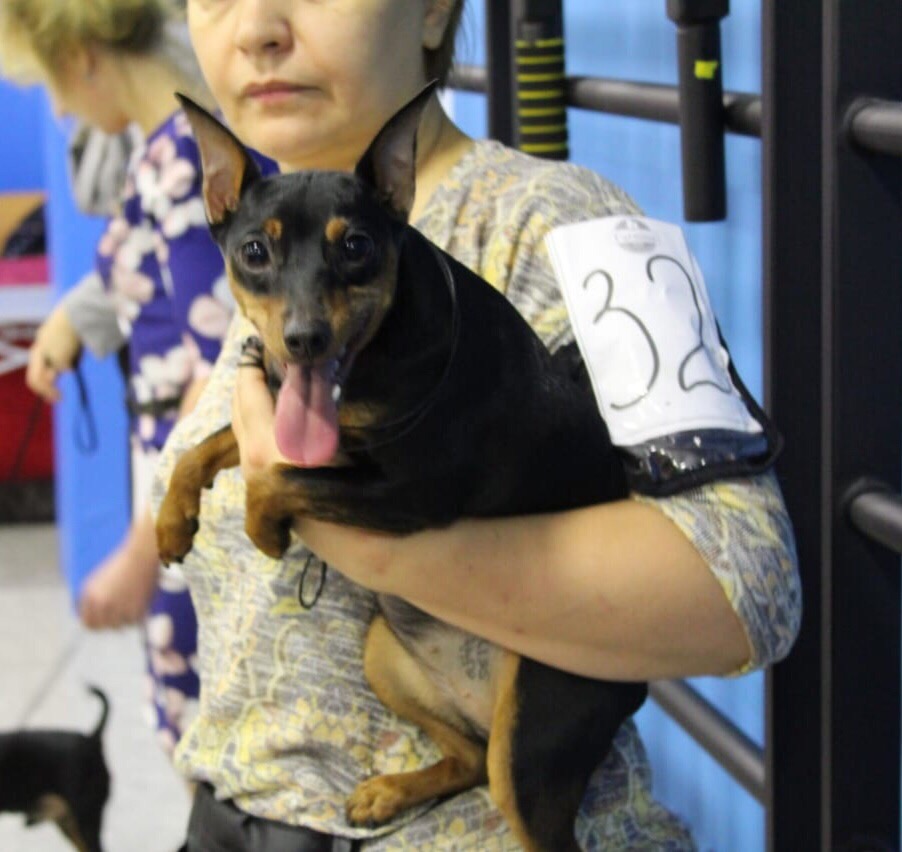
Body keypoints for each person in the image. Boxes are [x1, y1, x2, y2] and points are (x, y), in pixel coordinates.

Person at [153, 0, 801, 848]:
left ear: (433, 10)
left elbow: (750, 585)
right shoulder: (267, 253)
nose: (257, 28)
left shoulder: (572, 222)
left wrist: (349, 527)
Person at [0, 0, 243, 756]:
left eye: (50, 85)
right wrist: (76, 322)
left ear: (83, 59)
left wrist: (142, 553)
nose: (58, 108)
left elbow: (224, 367)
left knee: (199, 733)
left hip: (196, 489)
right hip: (171, 470)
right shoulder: (160, 151)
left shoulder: (182, 165)